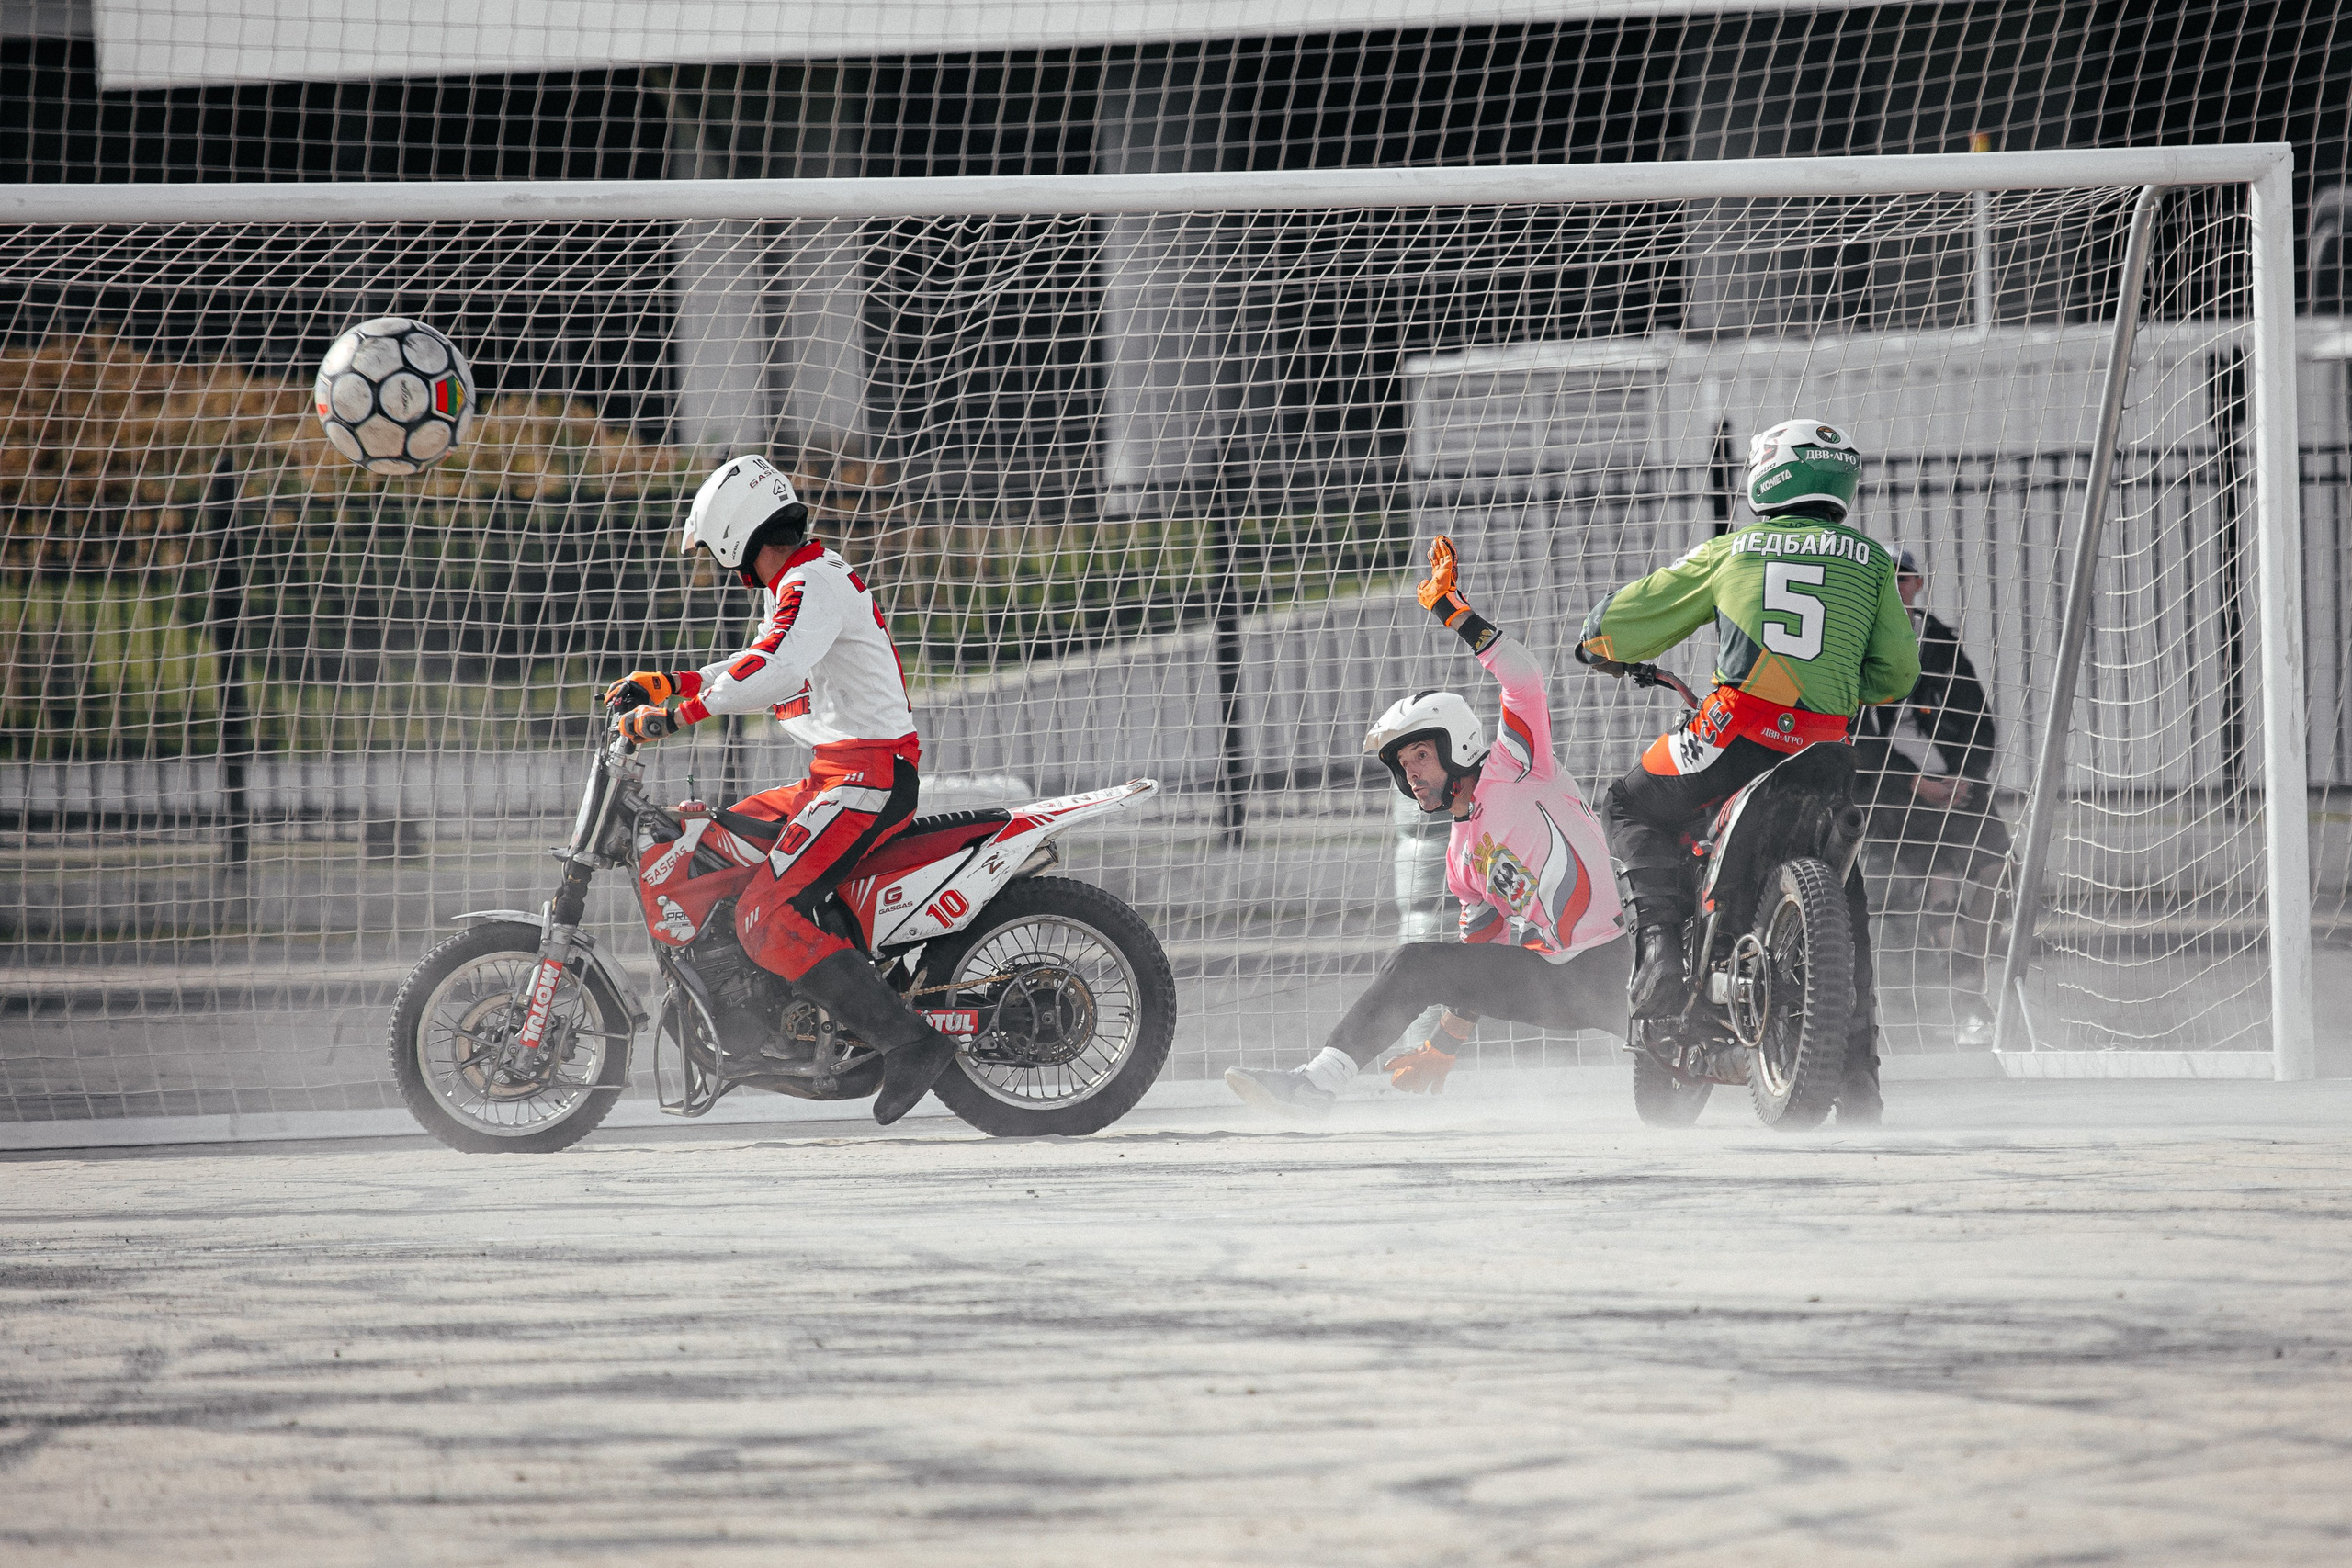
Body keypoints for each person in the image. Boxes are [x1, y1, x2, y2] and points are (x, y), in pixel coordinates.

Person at [1574, 418, 1919, 1122]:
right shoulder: (1873, 561)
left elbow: (1631, 619)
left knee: (1628, 806)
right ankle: (1859, 1086)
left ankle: (1662, 948)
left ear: (1769, 476)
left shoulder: (1735, 550)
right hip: (1824, 752)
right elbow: (1897, 673)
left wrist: (1600, 639)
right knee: (1846, 907)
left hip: (1733, 735)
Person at [603, 453, 958, 1126]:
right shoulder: (802, 580)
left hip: (869, 776)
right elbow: (765, 661)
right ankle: (777, 1010)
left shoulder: (808, 584)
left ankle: (908, 1040)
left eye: (716, 550)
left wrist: (677, 715)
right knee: (720, 840)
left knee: (763, 916)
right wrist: (674, 681)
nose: (718, 565)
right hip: (841, 771)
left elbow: (770, 669)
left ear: (738, 536)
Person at [1225, 536, 1630, 1115]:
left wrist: (1454, 612)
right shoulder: (1462, 860)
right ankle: (1316, 1086)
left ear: (1457, 743)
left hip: (1622, 959)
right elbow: (1476, 954)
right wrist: (1442, 1048)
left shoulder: (1515, 766)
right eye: (1402, 765)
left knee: (1679, 1090)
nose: (1412, 775)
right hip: (1560, 984)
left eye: (1420, 756)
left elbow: (1524, 679)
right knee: (1420, 964)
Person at [1852, 550, 2009, 1047]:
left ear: (1916, 583)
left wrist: (1966, 776)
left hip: (1956, 785)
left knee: (1996, 871)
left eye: (1901, 579)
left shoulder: (1938, 642)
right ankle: (1967, 1005)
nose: (1892, 589)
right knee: (1942, 881)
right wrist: (1912, 783)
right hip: (1896, 794)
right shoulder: (1855, 646)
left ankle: (1970, 980)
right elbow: (1855, 740)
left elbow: (1979, 719)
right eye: (1880, 582)